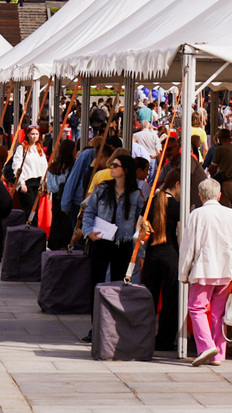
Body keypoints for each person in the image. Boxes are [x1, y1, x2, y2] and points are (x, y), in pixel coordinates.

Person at [178, 179, 232, 366]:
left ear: (200, 196)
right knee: (218, 312)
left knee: (197, 308)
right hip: (226, 269)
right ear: (219, 195)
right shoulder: (230, 214)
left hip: (203, 269)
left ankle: (206, 346)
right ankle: (218, 354)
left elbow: (187, 247)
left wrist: (183, 273)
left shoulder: (196, 214)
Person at [81, 155, 146, 342]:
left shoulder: (135, 194)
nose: (111, 167)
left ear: (125, 170)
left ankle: (114, 326)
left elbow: (141, 223)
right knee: (97, 284)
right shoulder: (102, 189)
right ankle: (97, 327)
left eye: (115, 165)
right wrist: (88, 232)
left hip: (123, 244)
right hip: (101, 241)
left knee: (118, 286)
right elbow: (89, 212)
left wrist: (140, 251)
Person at [142, 169, 181, 352]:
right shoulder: (177, 206)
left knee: (149, 299)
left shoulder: (151, 201)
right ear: (177, 185)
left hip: (152, 254)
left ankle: (144, 336)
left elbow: (140, 228)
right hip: (171, 255)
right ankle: (164, 340)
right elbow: (181, 235)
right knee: (170, 300)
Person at [45, 138, 76, 250]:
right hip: (68, 198)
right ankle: (64, 245)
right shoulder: (73, 167)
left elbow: (51, 187)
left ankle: (55, 246)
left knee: (57, 221)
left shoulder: (53, 167)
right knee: (66, 223)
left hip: (56, 199)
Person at [11, 125, 47, 214]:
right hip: (27, 183)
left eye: (36, 134)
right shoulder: (22, 148)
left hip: (37, 183)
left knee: (35, 210)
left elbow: (44, 166)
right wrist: (22, 182)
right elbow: (17, 166)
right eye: (32, 134)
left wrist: (44, 182)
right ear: (27, 134)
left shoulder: (39, 149)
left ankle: (33, 227)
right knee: (30, 210)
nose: (34, 136)